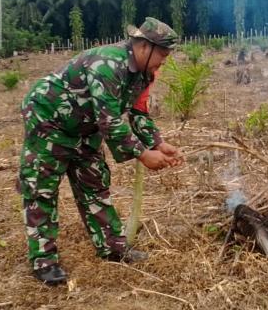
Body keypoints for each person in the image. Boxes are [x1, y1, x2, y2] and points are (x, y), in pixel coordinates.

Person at [18, 17, 183, 285]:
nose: (163, 60)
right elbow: (110, 120)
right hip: (49, 118)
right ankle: (44, 261)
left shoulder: (145, 73)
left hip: (86, 125)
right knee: (41, 188)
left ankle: (112, 248)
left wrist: (157, 143)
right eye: (162, 54)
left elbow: (139, 111)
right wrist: (143, 154)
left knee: (94, 184)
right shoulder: (107, 63)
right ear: (143, 46)